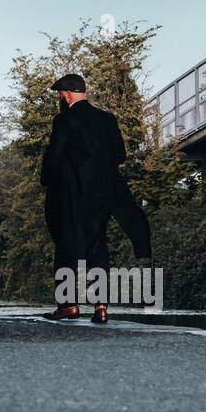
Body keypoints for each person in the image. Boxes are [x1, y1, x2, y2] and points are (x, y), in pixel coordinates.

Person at [40, 72, 150, 323]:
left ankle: (68, 306)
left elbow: (54, 157)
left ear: (67, 94)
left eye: (60, 94)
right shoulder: (107, 120)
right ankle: (100, 305)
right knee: (98, 246)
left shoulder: (64, 120)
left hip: (72, 195)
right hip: (103, 196)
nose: (60, 98)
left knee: (67, 246)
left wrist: (47, 179)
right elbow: (120, 155)